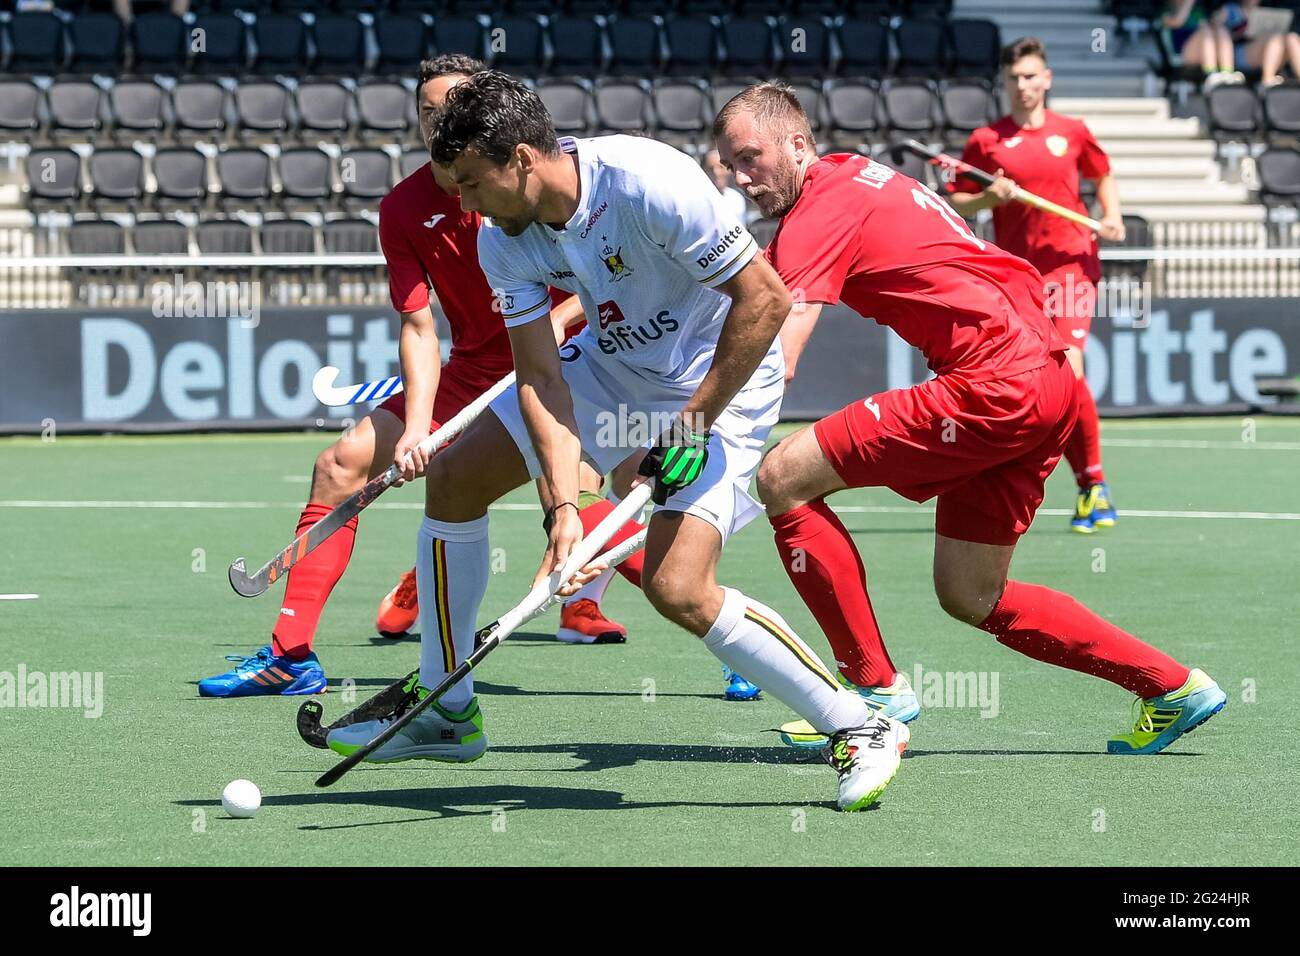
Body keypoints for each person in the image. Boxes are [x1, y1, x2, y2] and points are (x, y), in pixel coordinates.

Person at [327, 71, 909, 812]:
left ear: (521, 160)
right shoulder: (505, 243)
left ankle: (859, 724)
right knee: (456, 479)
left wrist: (694, 422)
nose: (465, 205)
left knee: (677, 587)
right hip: (607, 367)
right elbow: (539, 375)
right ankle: (448, 704)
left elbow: (766, 300)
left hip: (719, 379)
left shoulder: (648, 181)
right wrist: (563, 506)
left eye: (473, 183)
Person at [713, 82, 1226, 757]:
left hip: (993, 382)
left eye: (752, 158)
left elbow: (782, 346)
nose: (744, 178)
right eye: (731, 166)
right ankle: (1171, 687)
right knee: (970, 593)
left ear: (798, 143)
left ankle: (872, 690)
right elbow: (752, 295)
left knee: (782, 476)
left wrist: (704, 428)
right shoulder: (849, 174)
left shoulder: (818, 208)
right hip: (1052, 378)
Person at [198, 57, 642, 698]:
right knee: (340, 464)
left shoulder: (527, 180)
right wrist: (413, 430)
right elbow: (418, 328)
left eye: (452, 107)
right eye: (427, 112)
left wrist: (555, 329)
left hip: (564, 361)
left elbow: (599, 282)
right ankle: (290, 656)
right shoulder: (404, 208)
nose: (440, 120)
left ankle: (716, 626)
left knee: (578, 503)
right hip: (473, 372)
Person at [947, 37, 1120, 533]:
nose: (1023, 86)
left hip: (1071, 265)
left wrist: (1111, 215)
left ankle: (1094, 485)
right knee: (1044, 384)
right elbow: (956, 201)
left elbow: (1103, 174)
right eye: (1013, 78)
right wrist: (990, 201)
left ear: (1046, 78)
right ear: (1005, 84)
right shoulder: (987, 141)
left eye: (1030, 76)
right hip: (1017, 276)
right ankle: (1048, 482)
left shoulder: (1074, 131)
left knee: (1070, 366)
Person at [703, 147, 751, 225]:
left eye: (720, 167)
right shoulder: (699, 200)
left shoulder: (736, 199)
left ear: (728, 169)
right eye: (711, 168)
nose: (716, 172)